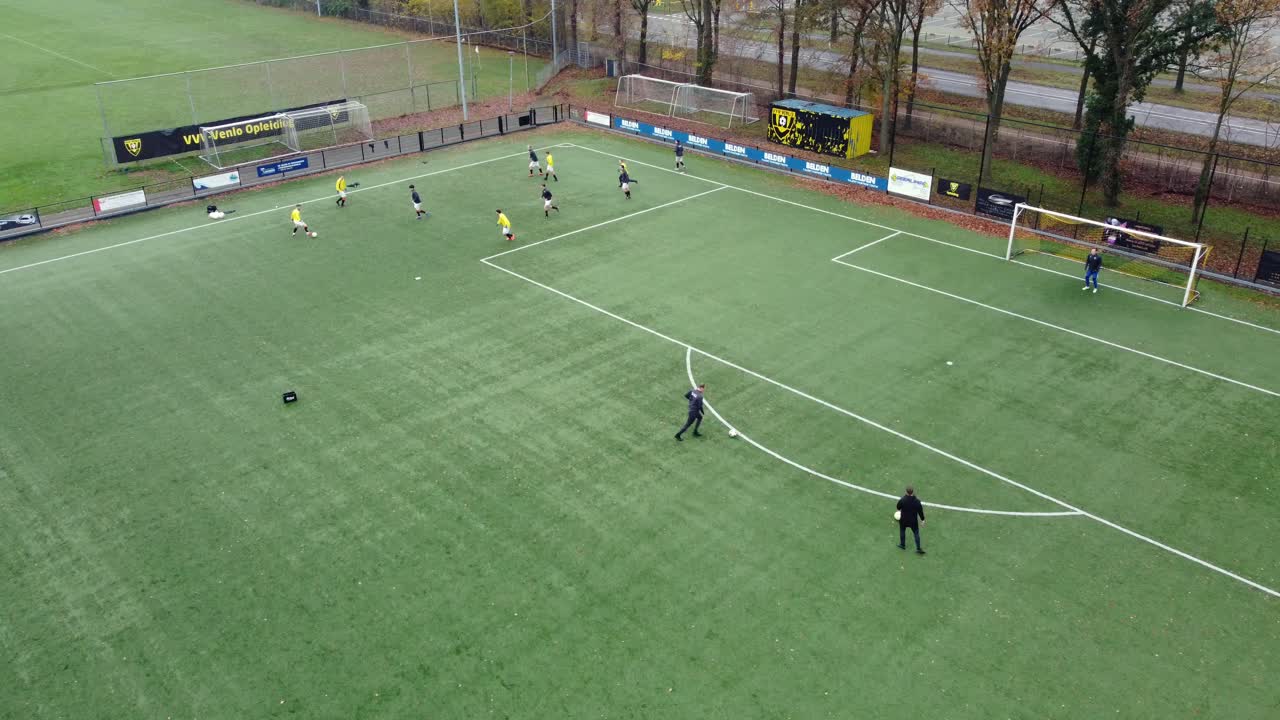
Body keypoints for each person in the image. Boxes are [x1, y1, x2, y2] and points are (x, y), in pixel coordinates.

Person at [896, 486, 926, 555]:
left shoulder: (902, 500)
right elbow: (920, 511)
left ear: (906, 492)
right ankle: (918, 548)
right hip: (913, 521)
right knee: (916, 534)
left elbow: (898, 507)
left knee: (902, 531)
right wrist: (923, 520)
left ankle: (902, 545)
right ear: (913, 492)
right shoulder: (917, 501)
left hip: (903, 520)